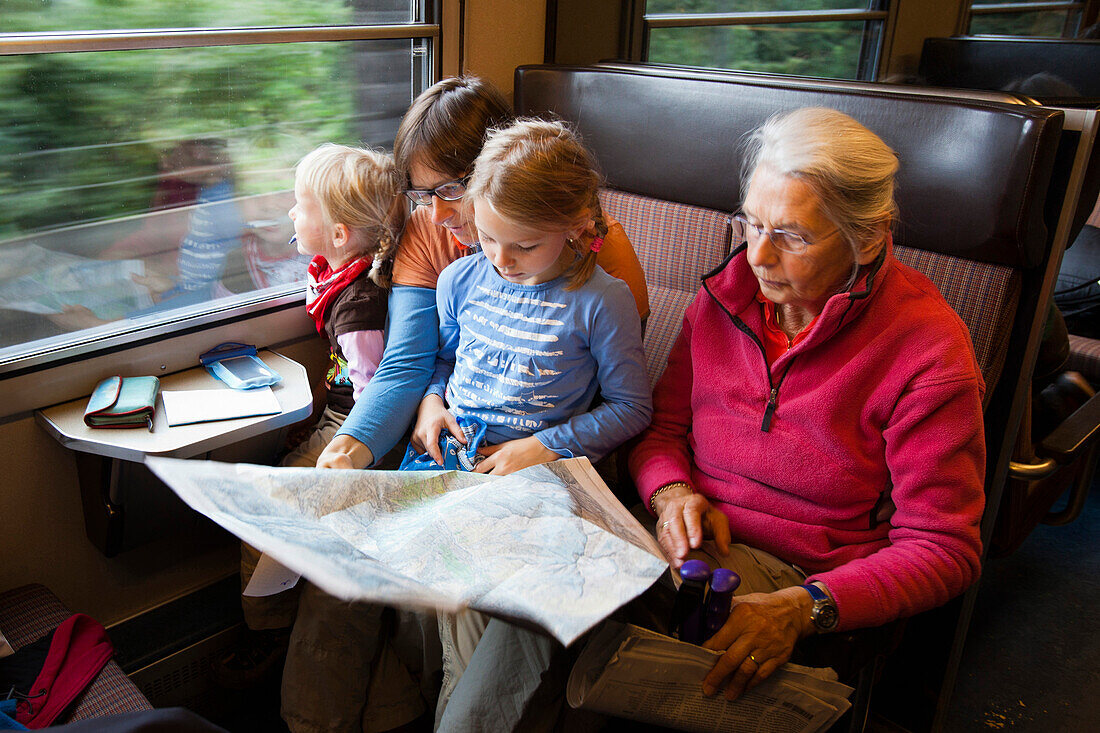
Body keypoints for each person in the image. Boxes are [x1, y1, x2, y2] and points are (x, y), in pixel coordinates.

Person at [629, 107, 986, 701]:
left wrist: (805, 607)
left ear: (866, 237)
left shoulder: (929, 354)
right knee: (526, 609)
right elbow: (664, 430)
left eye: (791, 236)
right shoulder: (722, 299)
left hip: (799, 574)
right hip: (684, 539)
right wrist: (670, 494)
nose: (756, 257)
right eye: (751, 223)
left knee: (614, 657)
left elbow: (944, 547)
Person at [401, 118, 653, 720]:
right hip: (449, 459)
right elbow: (442, 360)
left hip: (531, 475)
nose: (501, 259)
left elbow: (632, 407)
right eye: (487, 238)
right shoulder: (461, 278)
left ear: (576, 228)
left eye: (524, 245)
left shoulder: (600, 300)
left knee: (469, 612)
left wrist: (544, 447)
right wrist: (432, 401)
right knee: (425, 606)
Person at [316, 76, 649, 473]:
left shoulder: (594, 256)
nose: (435, 215)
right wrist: (355, 444)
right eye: (422, 195)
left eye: (451, 189)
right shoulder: (447, 261)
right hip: (454, 443)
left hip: (542, 458)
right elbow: (412, 362)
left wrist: (542, 449)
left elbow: (617, 399)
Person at [220, 143, 410, 732]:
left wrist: (339, 445)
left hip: (361, 436)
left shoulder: (360, 306)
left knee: (261, 510)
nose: (289, 219)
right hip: (339, 419)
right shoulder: (344, 278)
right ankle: (277, 614)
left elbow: (375, 393)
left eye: (298, 208)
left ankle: (270, 626)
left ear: (340, 231)